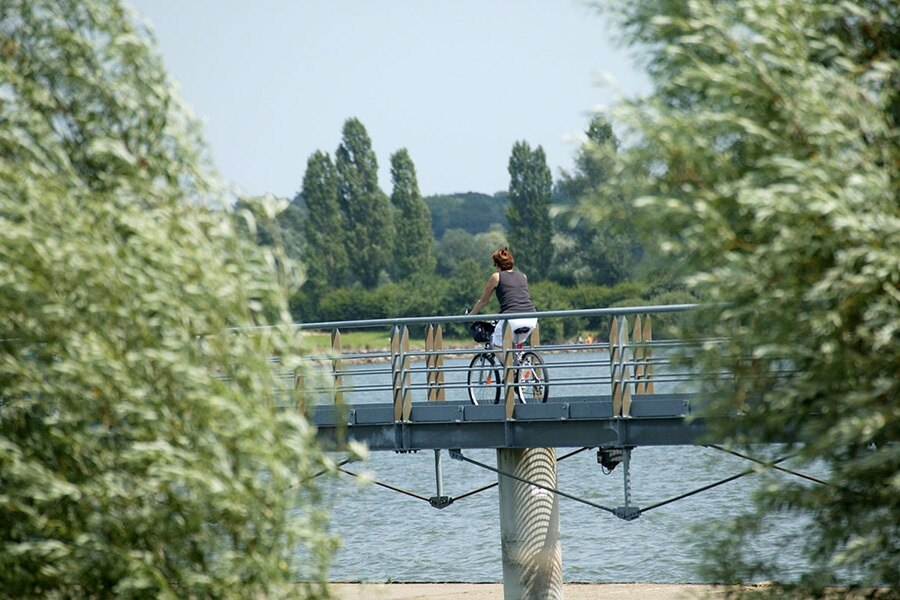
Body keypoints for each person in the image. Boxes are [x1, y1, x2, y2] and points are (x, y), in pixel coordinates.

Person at [469, 247, 537, 348]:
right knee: (514, 343)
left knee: (496, 345)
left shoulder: (496, 277)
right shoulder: (523, 276)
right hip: (531, 318)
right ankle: (519, 361)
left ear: (497, 265)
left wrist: (471, 315)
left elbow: (483, 301)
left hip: (511, 319)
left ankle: (508, 364)